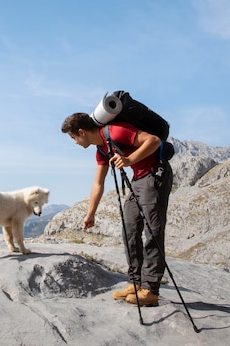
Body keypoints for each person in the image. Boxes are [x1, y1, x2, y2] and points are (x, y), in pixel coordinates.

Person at [61, 112, 173, 306]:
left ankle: (150, 290)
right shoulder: (101, 149)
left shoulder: (116, 131)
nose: (75, 143)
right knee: (129, 229)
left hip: (155, 175)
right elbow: (98, 183)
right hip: (138, 179)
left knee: (152, 231)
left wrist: (130, 160)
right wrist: (91, 213)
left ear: (81, 132)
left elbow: (153, 141)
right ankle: (135, 283)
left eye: (73, 138)